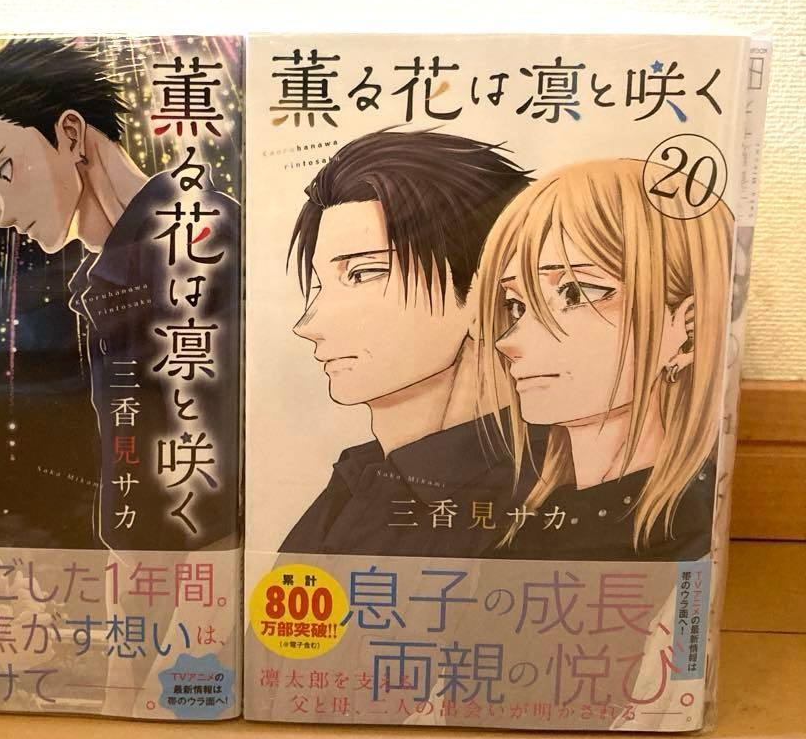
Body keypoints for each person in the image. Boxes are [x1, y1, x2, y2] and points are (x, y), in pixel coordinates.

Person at [0, 38, 239, 550]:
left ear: (71, 134)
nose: (3, 214)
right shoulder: (104, 282)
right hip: (148, 565)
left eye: (6, 171)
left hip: (204, 563)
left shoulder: (204, 241)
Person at [279, 128, 541, 557]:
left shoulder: (536, 495)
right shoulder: (357, 480)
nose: (308, 324)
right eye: (321, 285)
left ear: (484, 292)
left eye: (363, 274)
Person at [475, 158, 731, 560]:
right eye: (517, 305)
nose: (509, 341)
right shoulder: (527, 520)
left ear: (689, 329)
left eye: (576, 293)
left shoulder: (686, 534)